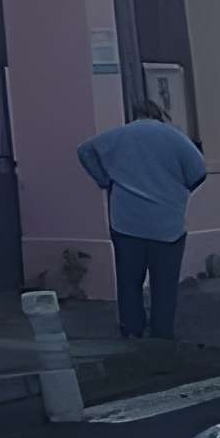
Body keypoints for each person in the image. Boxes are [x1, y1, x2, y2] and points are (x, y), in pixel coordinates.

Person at [79, 99, 209, 340]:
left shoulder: (119, 136)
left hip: (126, 221)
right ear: (160, 115)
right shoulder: (174, 137)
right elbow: (199, 170)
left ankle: (131, 329)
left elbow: (85, 150)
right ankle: (162, 332)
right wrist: (180, 190)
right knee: (165, 284)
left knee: (129, 280)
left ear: (133, 115)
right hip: (167, 223)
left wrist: (104, 180)